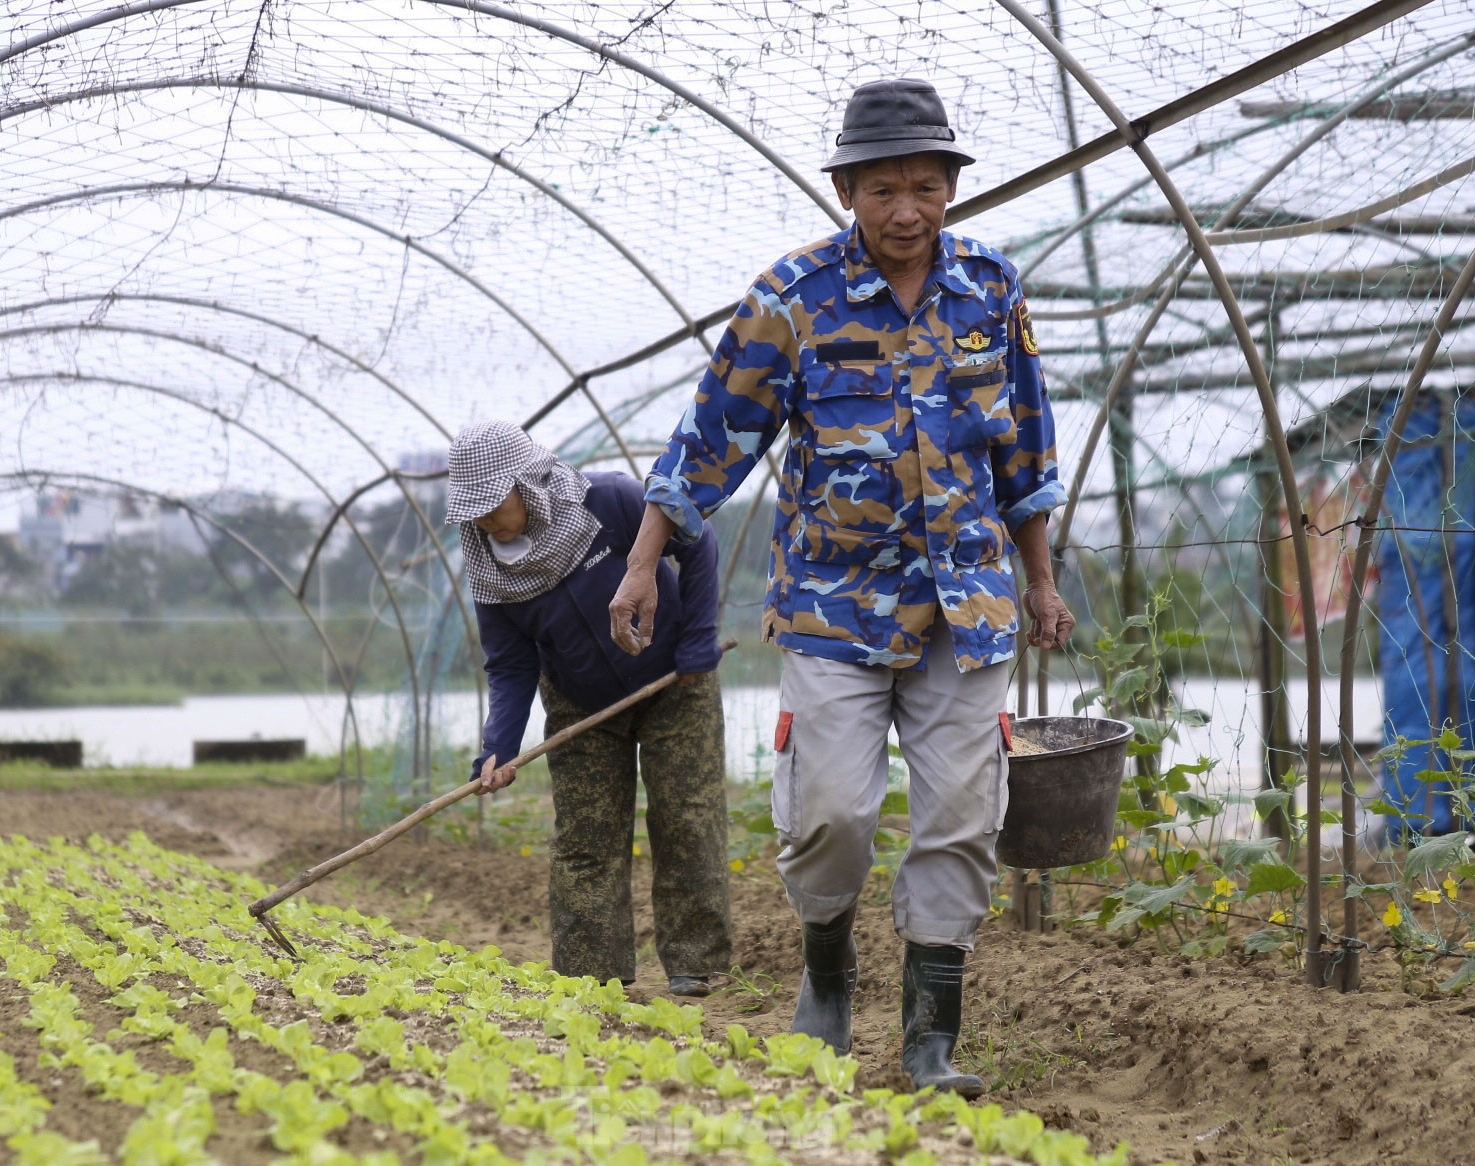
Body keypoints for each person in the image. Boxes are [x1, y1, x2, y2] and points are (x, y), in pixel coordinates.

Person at [607, 79, 1075, 1095]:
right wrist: (645, 558)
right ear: (845, 190)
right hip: (833, 603)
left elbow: (1026, 450)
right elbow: (710, 439)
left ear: (950, 186)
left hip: (968, 605)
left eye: (923, 186)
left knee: (958, 812)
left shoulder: (991, 289)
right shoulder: (793, 296)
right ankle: (826, 970)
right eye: (880, 191)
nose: (904, 211)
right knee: (830, 811)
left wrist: (1039, 580)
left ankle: (928, 1038)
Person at [448, 420, 732, 997]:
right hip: (578, 700)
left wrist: (698, 639)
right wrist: (498, 745)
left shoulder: (612, 501)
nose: (483, 519)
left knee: (687, 816)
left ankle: (693, 964)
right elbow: (509, 664)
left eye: (491, 504)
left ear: (526, 484)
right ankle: (592, 974)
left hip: (674, 681)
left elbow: (698, 545)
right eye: (472, 510)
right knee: (585, 837)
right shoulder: (485, 561)